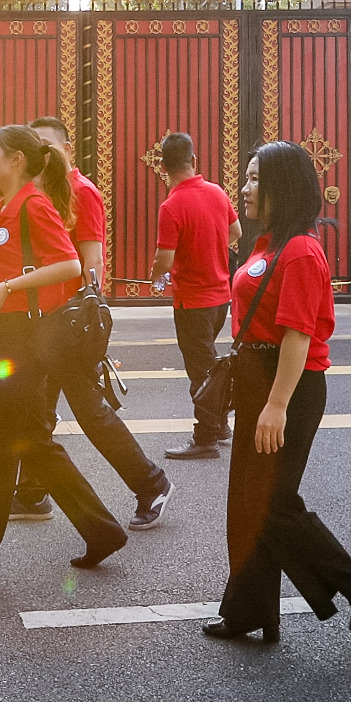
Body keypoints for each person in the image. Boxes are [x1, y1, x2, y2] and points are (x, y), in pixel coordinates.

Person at [203, 141, 351, 645]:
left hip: (288, 385)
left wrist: (276, 404)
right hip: (257, 379)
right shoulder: (267, 243)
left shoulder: (302, 251)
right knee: (248, 503)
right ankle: (248, 610)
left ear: (283, 187)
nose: (244, 188)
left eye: (256, 179)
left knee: (272, 503)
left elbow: (297, 335)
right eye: (246, 177)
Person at [0, 125, 126, 588]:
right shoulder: (2, 207)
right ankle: (102, 531)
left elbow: (70, 264)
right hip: (8, 339)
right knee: (33, 445)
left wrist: (9, 286)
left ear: (16, 160)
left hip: (28, 344)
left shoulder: (33, 205)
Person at [13, 115, 173, 532]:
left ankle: (152, 483)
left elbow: (92, 261)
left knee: (88, 411)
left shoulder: (81, 191)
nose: (42, 153)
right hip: (42, 321)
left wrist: (88, 317)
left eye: (48, 145)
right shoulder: (37, 192)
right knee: (36, 407)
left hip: (68, 325)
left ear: (67, 149)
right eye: (35, 146)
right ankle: (32, 490)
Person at [153, 131, 240, 460]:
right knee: (208, 363)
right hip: (220, 298)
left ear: (163, 167)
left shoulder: (171, 206)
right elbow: (236, 231)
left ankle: (205, 437)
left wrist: (156, 276)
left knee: (199, 371)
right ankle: (220, 426)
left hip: (192, 301)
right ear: (194, 160)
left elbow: (165, 259)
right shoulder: (217, 192)